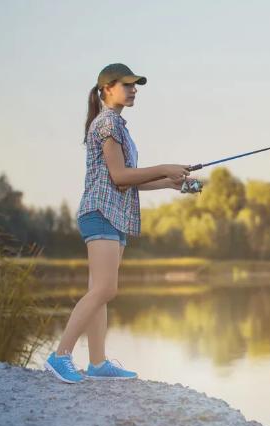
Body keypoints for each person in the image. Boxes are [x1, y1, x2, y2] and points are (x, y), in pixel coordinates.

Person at [45, 63, 194, 383]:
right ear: (107, 88)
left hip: (112, 213)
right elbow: (120, 175)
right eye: (127, 85)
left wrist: (169, 182)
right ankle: (60, 356)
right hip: (100, 212)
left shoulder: (119, 126)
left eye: (135, 85)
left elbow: (126, 183)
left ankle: (97, 363)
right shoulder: (107, 123)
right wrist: (165, 166)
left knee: (99, 291)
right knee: (104, 288)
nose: (133, 89)